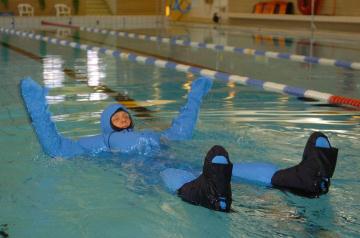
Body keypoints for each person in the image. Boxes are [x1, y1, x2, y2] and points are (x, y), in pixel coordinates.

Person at [20, 76, 213, 157]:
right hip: (137, 176)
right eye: (116, 118)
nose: (122, 119)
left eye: (125, 116)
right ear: (107, 125)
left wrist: (194, 97)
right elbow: (58, 148)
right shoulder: (103, 141)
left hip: (165, 158)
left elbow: (181, 132)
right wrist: (38, 108)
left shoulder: (149, 134)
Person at [161, 131, 338, 212]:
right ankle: (207, 191)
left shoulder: (158, 136)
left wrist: (195, 95)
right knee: (165, 171)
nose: (130, 120)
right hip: (160, 169)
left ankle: (303, 179)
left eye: (130, 117)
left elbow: (182, 127)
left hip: (193, 166)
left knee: (223, 167)